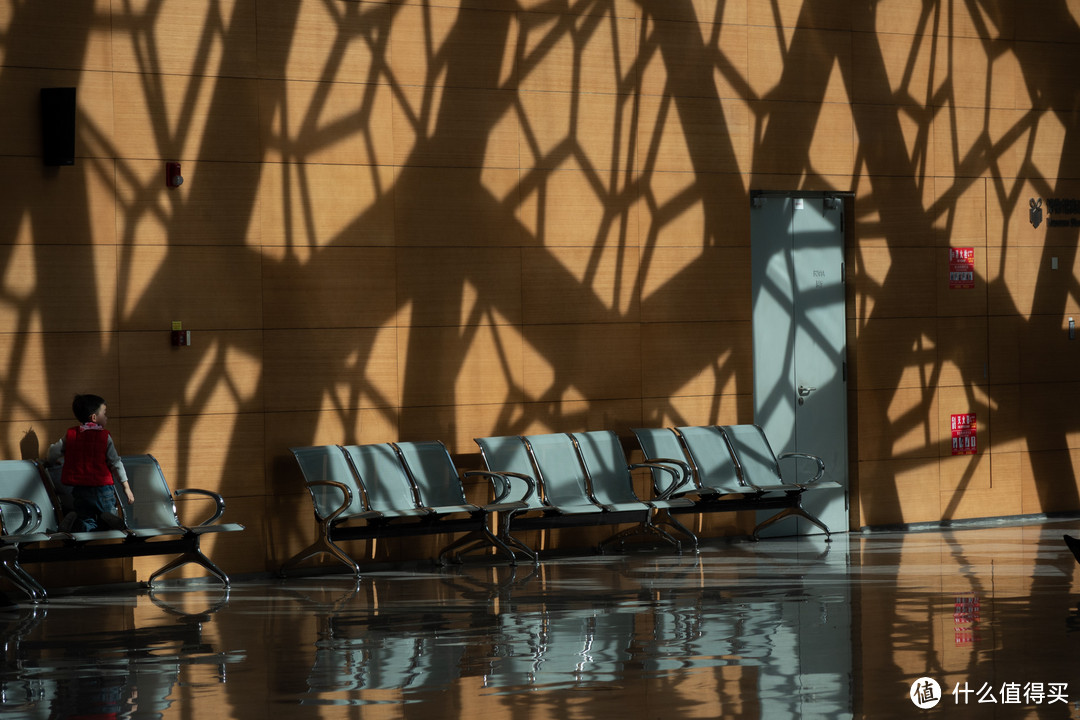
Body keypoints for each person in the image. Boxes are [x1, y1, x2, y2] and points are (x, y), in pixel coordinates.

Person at [47, 394, 135, 532]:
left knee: (86, 518)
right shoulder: (104, 436)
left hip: (80, 489)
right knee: (108, 524)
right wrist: (126, 487)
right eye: (104, 413)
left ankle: (80, 524)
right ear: (94, 418)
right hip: (103, 489)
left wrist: (53, 461)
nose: (106, 417)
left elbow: (53, 452)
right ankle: (109, 519)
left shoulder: (71, 435)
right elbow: (116, 463)